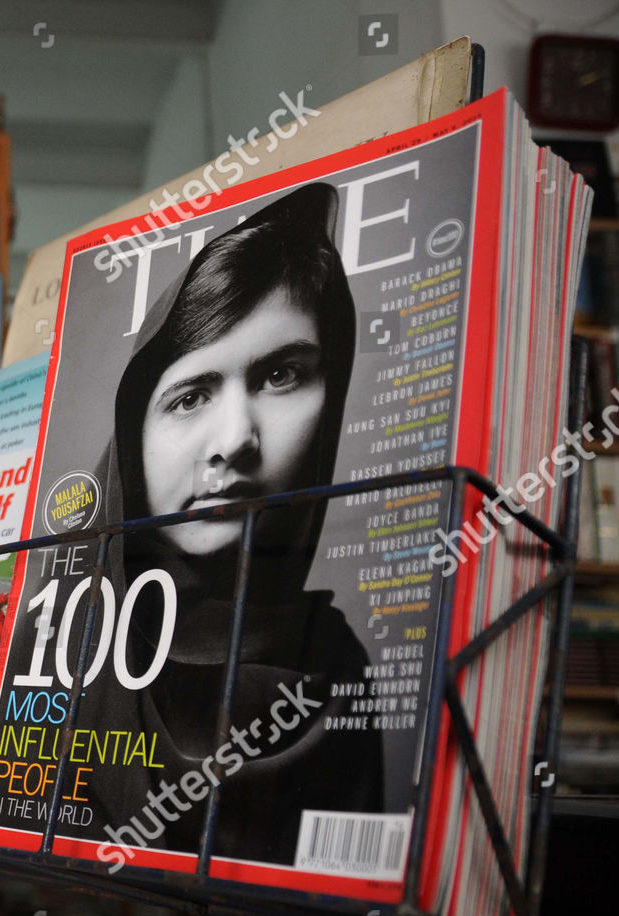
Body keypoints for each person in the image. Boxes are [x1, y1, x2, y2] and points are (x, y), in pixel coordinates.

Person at [102, 182, 383, 865]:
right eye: (191, 395)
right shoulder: (54, 653)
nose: (235, 440)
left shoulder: (340, 675)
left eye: (282, 376)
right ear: (133, 433)